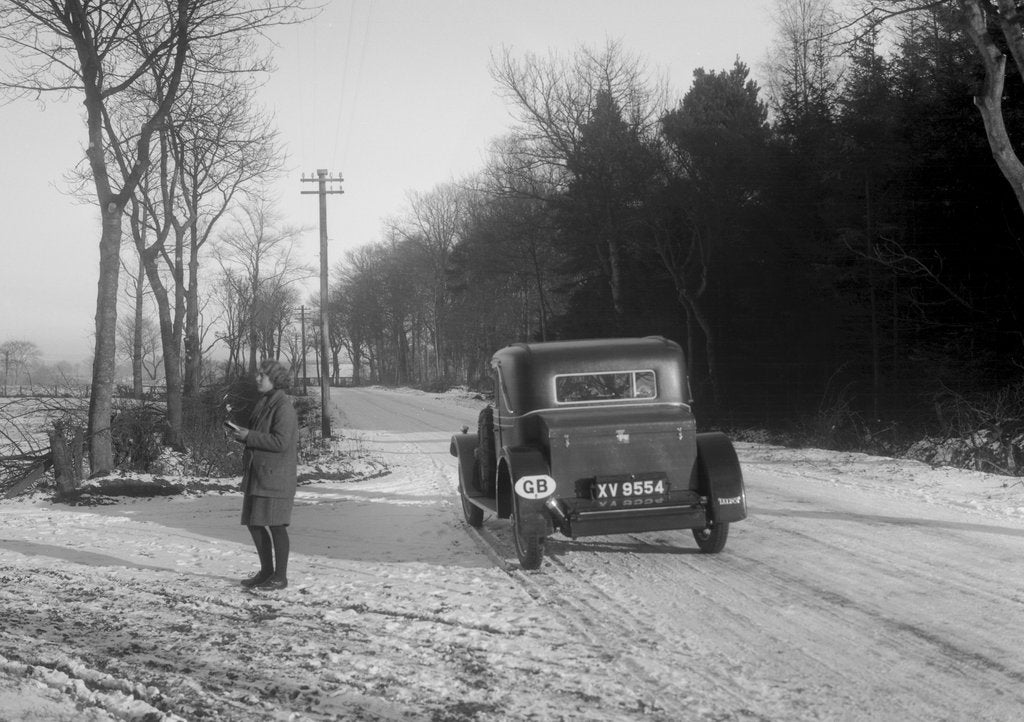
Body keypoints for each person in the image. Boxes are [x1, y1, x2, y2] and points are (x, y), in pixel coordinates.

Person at [228, 359, 298, 591]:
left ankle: (280, 577)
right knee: (254, 523)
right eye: (258, 374)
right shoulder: (265, 401)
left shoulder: (283, 407)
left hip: (275, 477)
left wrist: (249, 436)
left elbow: (281, 442)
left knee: (276, 526)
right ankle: (267, 572)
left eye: (262, 375)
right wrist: (243, 435)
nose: (257, 378)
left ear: (274, 380)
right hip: (259, 475)